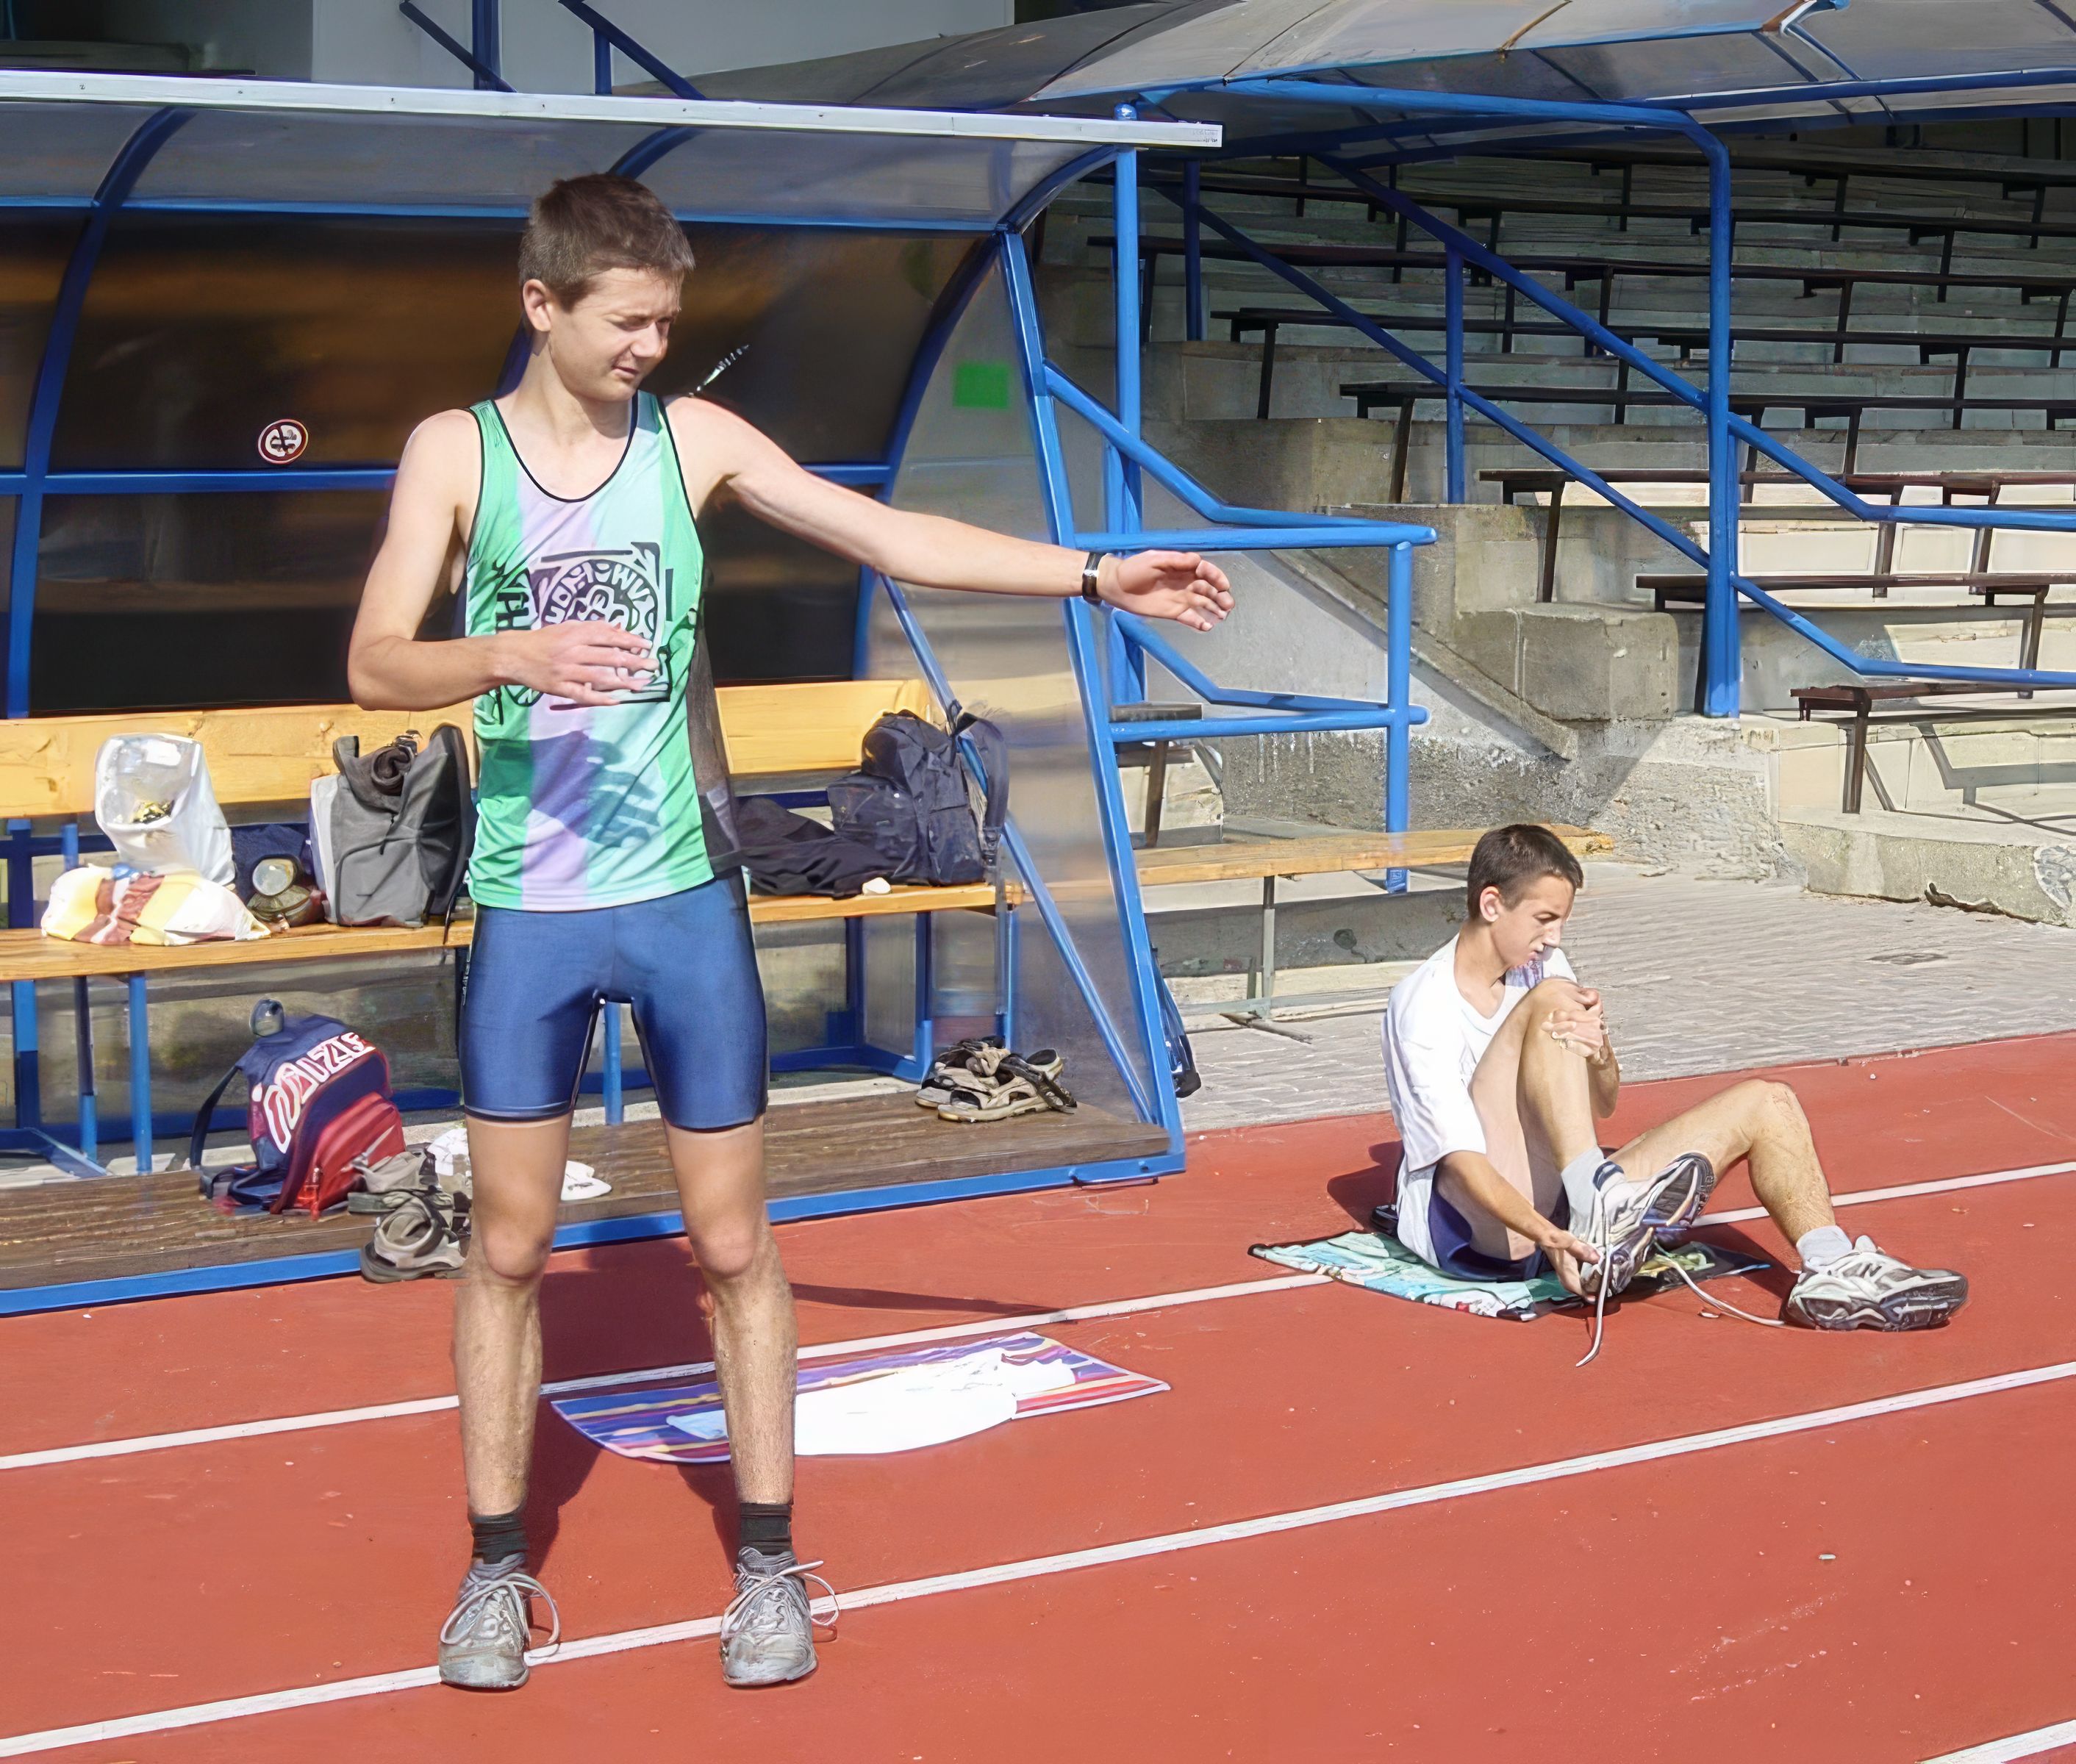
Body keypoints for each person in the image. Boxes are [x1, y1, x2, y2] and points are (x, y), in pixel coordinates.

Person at [348, 173, 1234, 1692]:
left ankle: (767, 1564)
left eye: (665, 324)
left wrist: (1095, 575)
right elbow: (376, 662)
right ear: (542, 304)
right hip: (529, 908)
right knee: (505, 1246)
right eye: (625, 323)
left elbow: (886, 536)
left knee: (732, 1240)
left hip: (682, 900)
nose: (648, 348)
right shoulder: (456, 453)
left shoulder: (691, 440)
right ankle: (495, 1571)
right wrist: (507, 652)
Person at [1380, 825, 1967, 1352]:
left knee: (1769, 1101)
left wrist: (1600, 1051)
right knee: (1550, 1001)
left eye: (1562, 922)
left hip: (1566, 1199)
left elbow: (1604, 1103)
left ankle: (1830, 1267)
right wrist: (1546, 1235)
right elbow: (1460, 1165)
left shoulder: (1544, 968)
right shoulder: (1424, 1003)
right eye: (1544, 920)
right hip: (1477, 1226)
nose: (1555, 938)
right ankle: (1597, 1201)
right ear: (1491, 904)